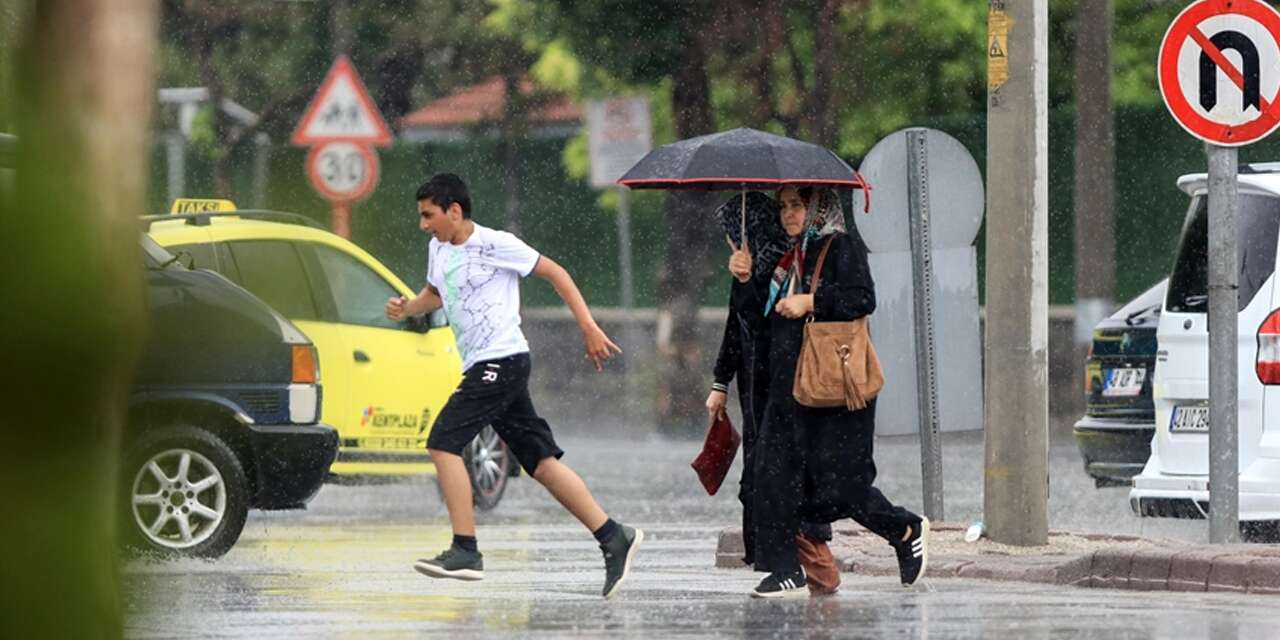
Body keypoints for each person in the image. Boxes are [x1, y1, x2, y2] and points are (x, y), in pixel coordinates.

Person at [386, 173, 642, 599]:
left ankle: (465, 550)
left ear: (455, 210)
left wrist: (589, 327)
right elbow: (436, 293)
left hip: (501, 360)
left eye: (429, 215)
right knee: (540, 463)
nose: (423, 225)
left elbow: (556, 273)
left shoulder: (495, 243)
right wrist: (409, 306)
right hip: (488, 366)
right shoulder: (438, 249)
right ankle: (614, 536)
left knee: (443, 442)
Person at [738, 186, 929, 599]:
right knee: (769, 479)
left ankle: (904, 528)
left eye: (797, 206)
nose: (788, 215)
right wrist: (744, 278)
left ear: (817, 208)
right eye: (784, 207)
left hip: (834, 392)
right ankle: (786, 569)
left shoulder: (840, 247)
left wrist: (811, 301)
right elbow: (757, 320)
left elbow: (863, 299)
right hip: (787, 390)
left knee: (843, 487)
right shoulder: (786, 259)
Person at [704, 191, 841, 596]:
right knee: (761, 475)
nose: (732, 242)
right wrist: (719, 383)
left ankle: (809, 559)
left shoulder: (793, 260)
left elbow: (769, 324)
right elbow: (738, 324)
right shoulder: (755, 265)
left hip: (793, 382)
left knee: (786, 475)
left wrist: (758, 284)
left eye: (735, 233)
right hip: (757, 387)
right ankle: (779, 562)